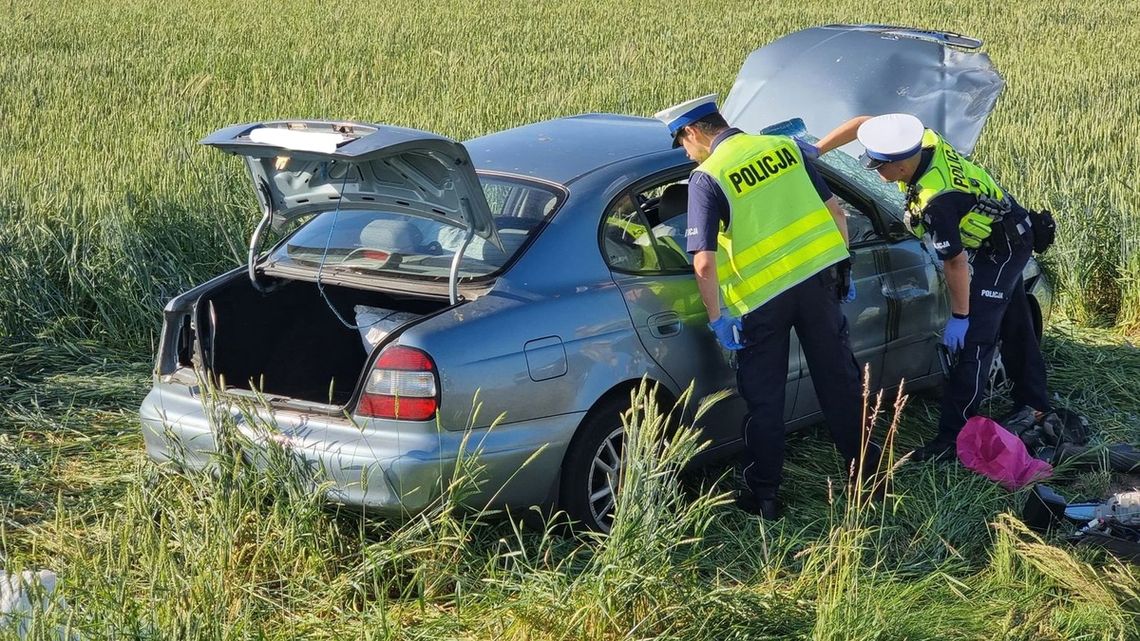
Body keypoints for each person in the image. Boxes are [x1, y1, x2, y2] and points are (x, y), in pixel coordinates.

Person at [653, 95, 881, 520]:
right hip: (818, 284)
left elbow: (702, 261)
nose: (687, 154)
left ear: (692, 132)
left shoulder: (708, 177)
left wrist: (718, 319)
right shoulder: (785, 149)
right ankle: (870, 480)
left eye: (683, 145)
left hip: (761, 303)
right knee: (841, 384)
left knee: (764, 399)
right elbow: (836, 214)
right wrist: (842, 267)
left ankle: (765, 497)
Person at [815, 113, 1058, 461]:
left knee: (975, 339)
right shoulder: (919, 139)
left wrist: (961, 316)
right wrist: (817, 149)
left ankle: (952, 438)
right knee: (1015, 321)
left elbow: (954, 262)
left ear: (900, 165)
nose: (876, 173)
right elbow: (865, 123)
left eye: (879, 166)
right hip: (999, 230)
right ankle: (1034, 400)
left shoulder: (937, 201)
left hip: (1002, 247)